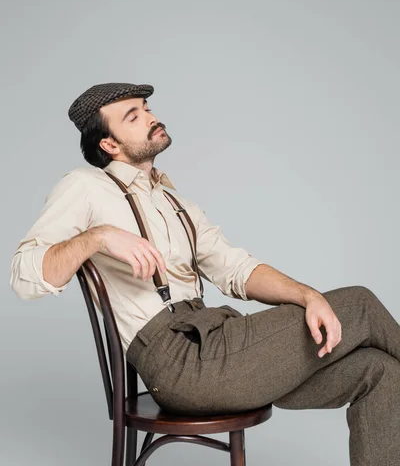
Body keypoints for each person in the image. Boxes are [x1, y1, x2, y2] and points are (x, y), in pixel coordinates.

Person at [10, 81, 400, 466]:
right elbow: (24, 275)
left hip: (219, 345)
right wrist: (100, 236)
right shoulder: (85, 187)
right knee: (360, 304)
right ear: (109, 144)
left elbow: (236, 269)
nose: (151, 117)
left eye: (146, 107)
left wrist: (307, 295)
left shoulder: (174, 201)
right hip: (180, 365)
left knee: (379, 371)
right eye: (134, 115)